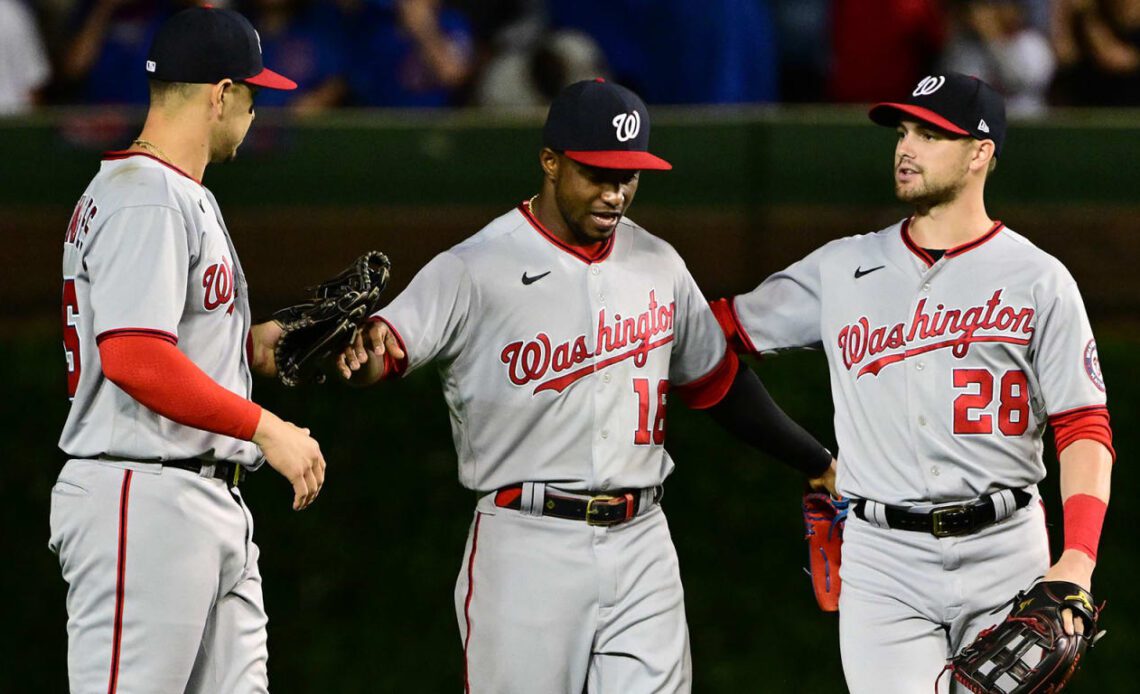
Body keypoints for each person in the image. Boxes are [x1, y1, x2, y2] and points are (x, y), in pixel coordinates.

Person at [337, 78, 836, 692]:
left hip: (643, 538)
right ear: (550, 161)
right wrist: (354, 354)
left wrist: (814, 459)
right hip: (526, 543)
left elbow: (716, 383)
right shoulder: (475, 265)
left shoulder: (658, 262)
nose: (615, 192)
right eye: (596, 173)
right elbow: (381, 355)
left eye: (628, 176)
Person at [711, 73, 1114, 692]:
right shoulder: (841, 268)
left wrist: (1078, 561)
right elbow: (712, 335)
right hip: (883, 560)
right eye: (903, 132)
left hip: (1008, 550)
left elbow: (1082, 424)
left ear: (981, 153)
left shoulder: (1040, 278)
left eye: (930, 134)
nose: (906, 148)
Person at [50, 7, 326, 692]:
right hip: (142, 494)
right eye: (254, 94)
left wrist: (257, 341)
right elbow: (135, 357)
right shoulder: (146, 196)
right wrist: (266, 428)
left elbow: (164, 338)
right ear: (221, 94)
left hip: (199, 497)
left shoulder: (169, 192)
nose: (257, 111)